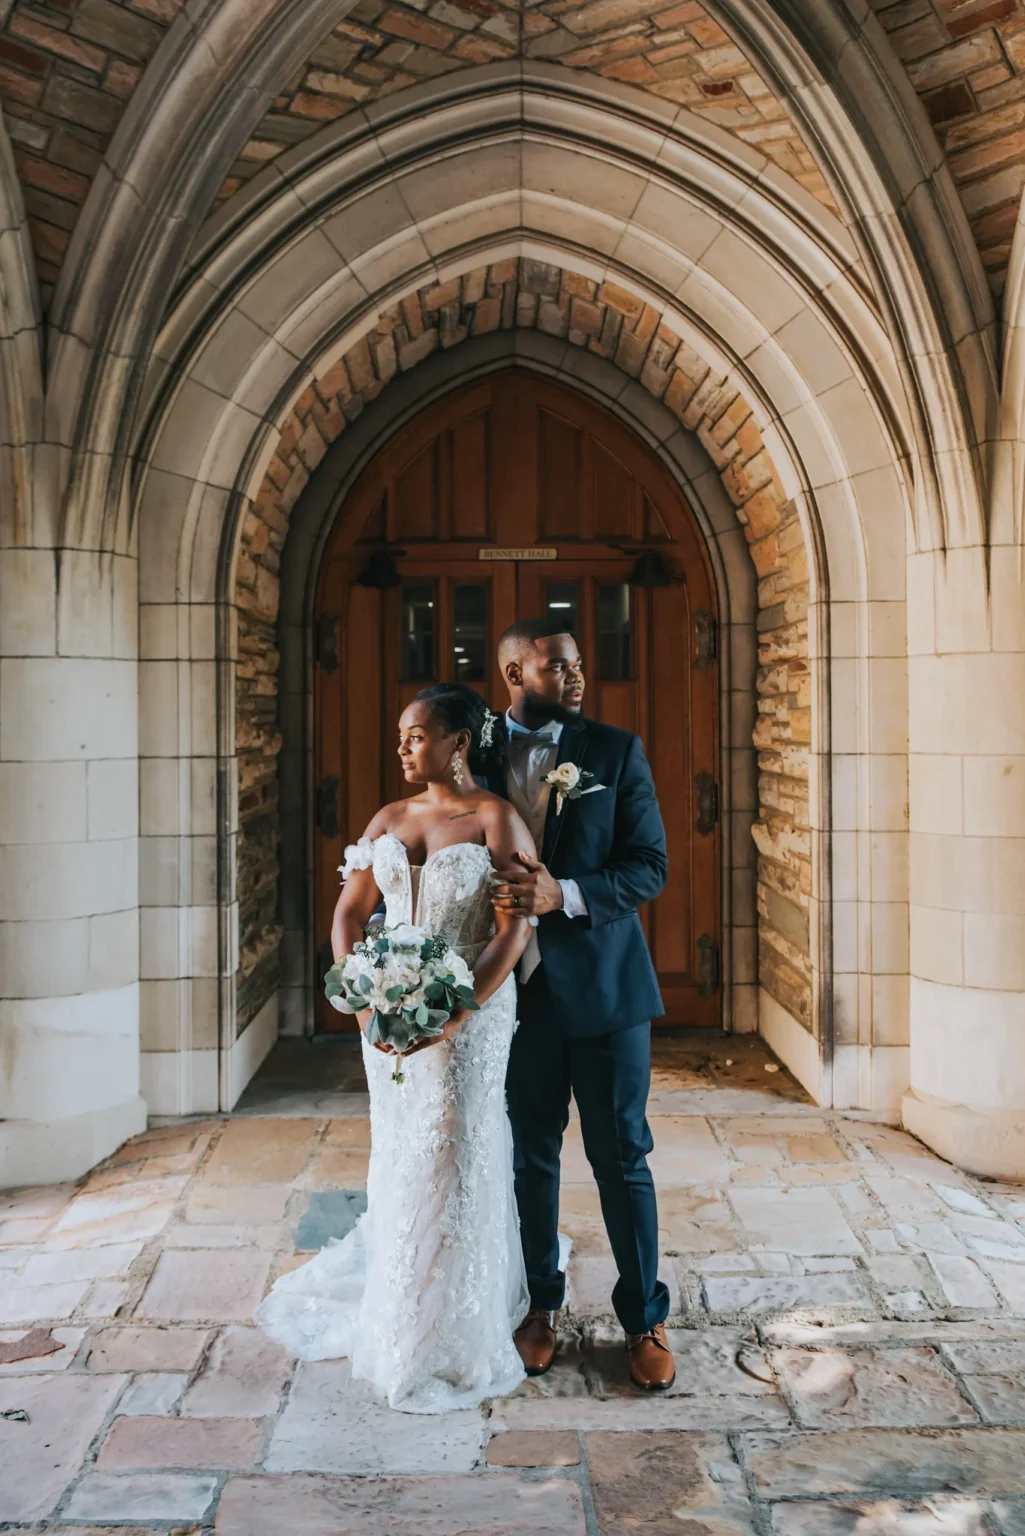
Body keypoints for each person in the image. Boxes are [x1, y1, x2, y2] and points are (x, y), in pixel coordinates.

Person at [256, 683, 535, 1414]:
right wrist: (364, 992)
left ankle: (452, 1324)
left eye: (416, 735)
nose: (404, 747)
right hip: (386, 1014)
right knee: (404, 1148)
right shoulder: (386, 817)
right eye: (402, 737)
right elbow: (350, 912)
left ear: (458, 742)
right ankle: (399, 1299)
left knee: (458, 1145)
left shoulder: (496, 819)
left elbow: (514, 930)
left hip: (471, 1008)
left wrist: (453, 1015)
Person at [485, 619, 676, 1392]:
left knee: (620, 1158)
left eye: (577, 664)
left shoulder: (614, 751)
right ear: (511, 673)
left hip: (604, 993)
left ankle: (644, 1319)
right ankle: (539, 1307)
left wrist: (562, 893)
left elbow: (648, 866)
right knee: (529, 1157)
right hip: (511, 997)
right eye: (556, 666)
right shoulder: (472, 753)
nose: (574, 677)